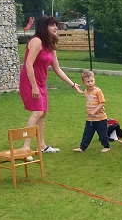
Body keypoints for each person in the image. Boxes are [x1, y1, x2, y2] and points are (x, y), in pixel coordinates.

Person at [19, 15, 82, 152]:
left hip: (41, 82)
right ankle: (25, 147)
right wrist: (34, 86)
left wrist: (73, 84)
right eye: (52, 25)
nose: (55, 28)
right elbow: (28, 64)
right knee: (37, 112)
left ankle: (42, 146)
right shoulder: (36, 41)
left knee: (43, 113)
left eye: (55, 25)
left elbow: (57, 69)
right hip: (29, 81)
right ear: (44, 27)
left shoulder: (50, 45)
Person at [73, 70, 110, 153]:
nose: (90, 83)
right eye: (88, 82)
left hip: (100, 118)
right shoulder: (86, 91)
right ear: (83, 82)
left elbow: (102, 102)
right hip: (90, 119)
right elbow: (84, 94)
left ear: (94, 80)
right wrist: (77, 89)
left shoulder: (98, 91)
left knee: (102, 134)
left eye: (92, 81)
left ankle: (106, 146)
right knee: (87, 134)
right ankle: (82, 148)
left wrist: (94, 111)